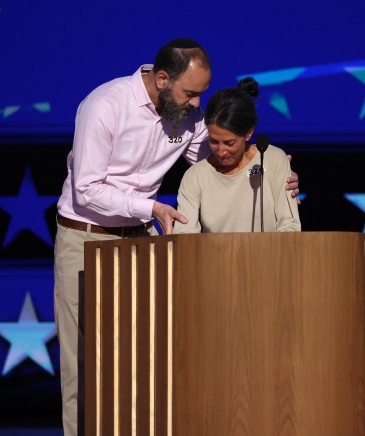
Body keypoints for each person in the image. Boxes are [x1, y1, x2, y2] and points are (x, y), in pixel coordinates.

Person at [53, 38, 299, 436]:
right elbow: (87, 189)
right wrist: (149, 207)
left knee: (145, 359)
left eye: (201, 94)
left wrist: (277, 174)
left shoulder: (185, 114)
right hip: (86, 238)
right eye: (191, 93)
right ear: (162, 79)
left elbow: (220, 156)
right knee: (84, 364)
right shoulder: (104, 106)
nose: (197, 105)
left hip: (140, 240)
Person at [174, 77, 300, 233]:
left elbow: (290, 225)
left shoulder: (273, 159)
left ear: (249, 133)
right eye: (213, 141)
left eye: (229, 143)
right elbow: (183, 236)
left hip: (270, 256)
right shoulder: (195, 176)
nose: (221, 151)